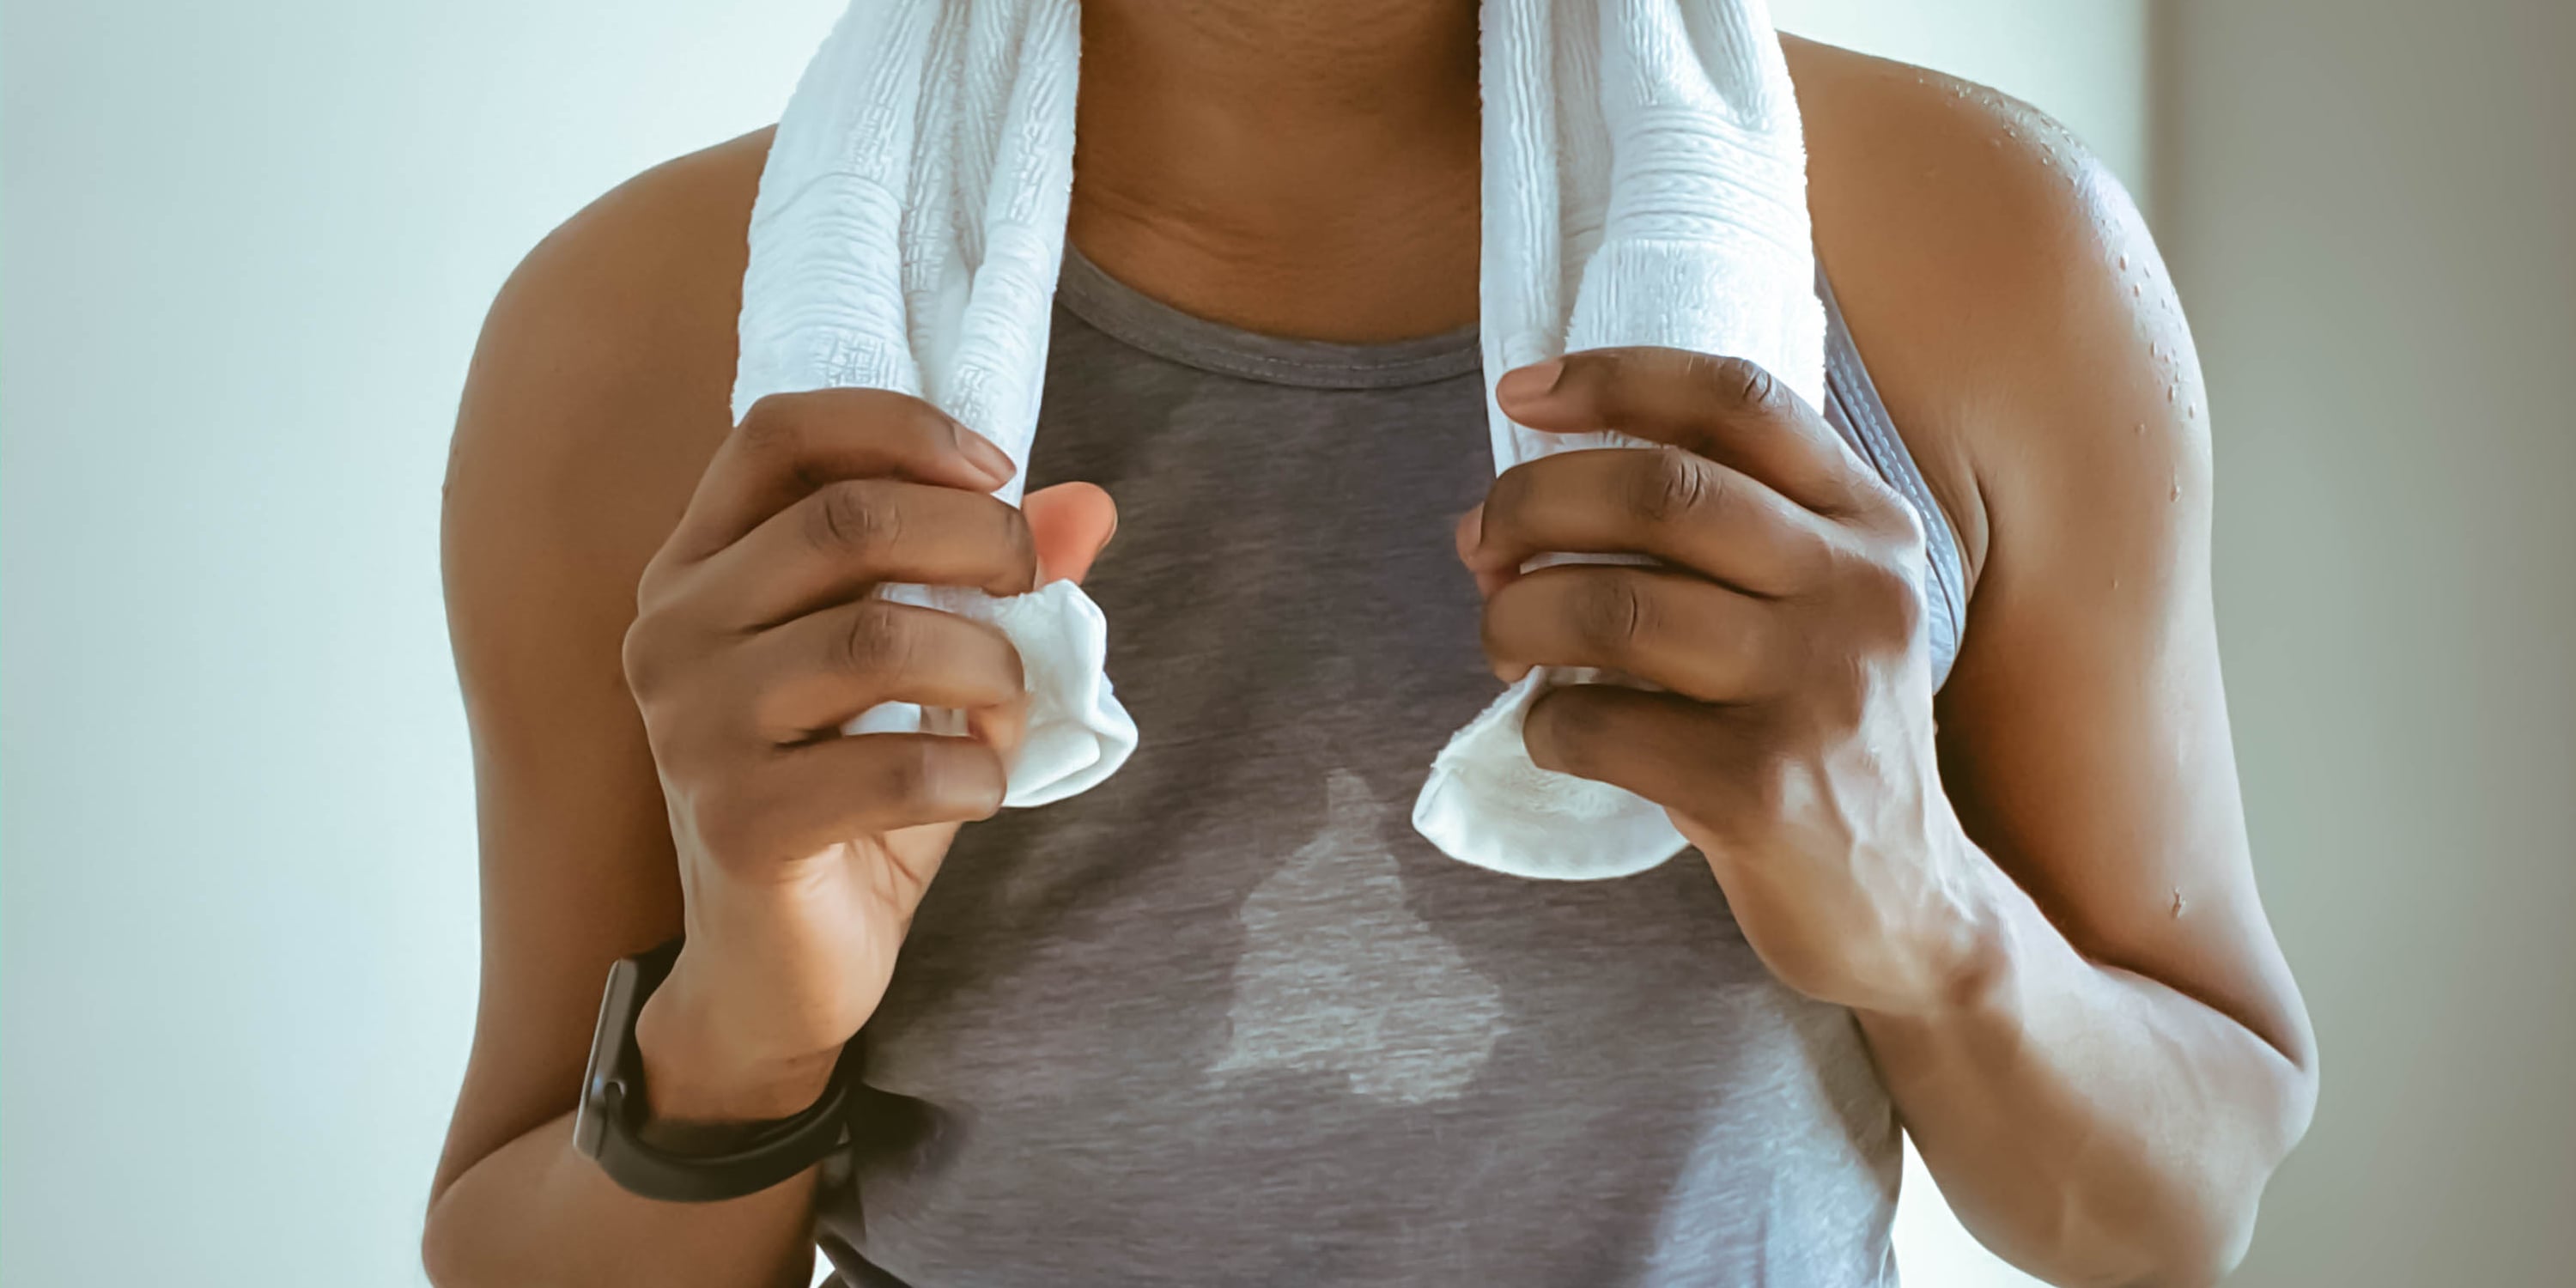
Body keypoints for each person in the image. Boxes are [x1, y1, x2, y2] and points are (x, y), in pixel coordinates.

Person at [422, 6, 2318, 1286]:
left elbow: (2175, 1197)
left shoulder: (1980, 259)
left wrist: (1922, 910)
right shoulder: (643, 350)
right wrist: (747, 1025)